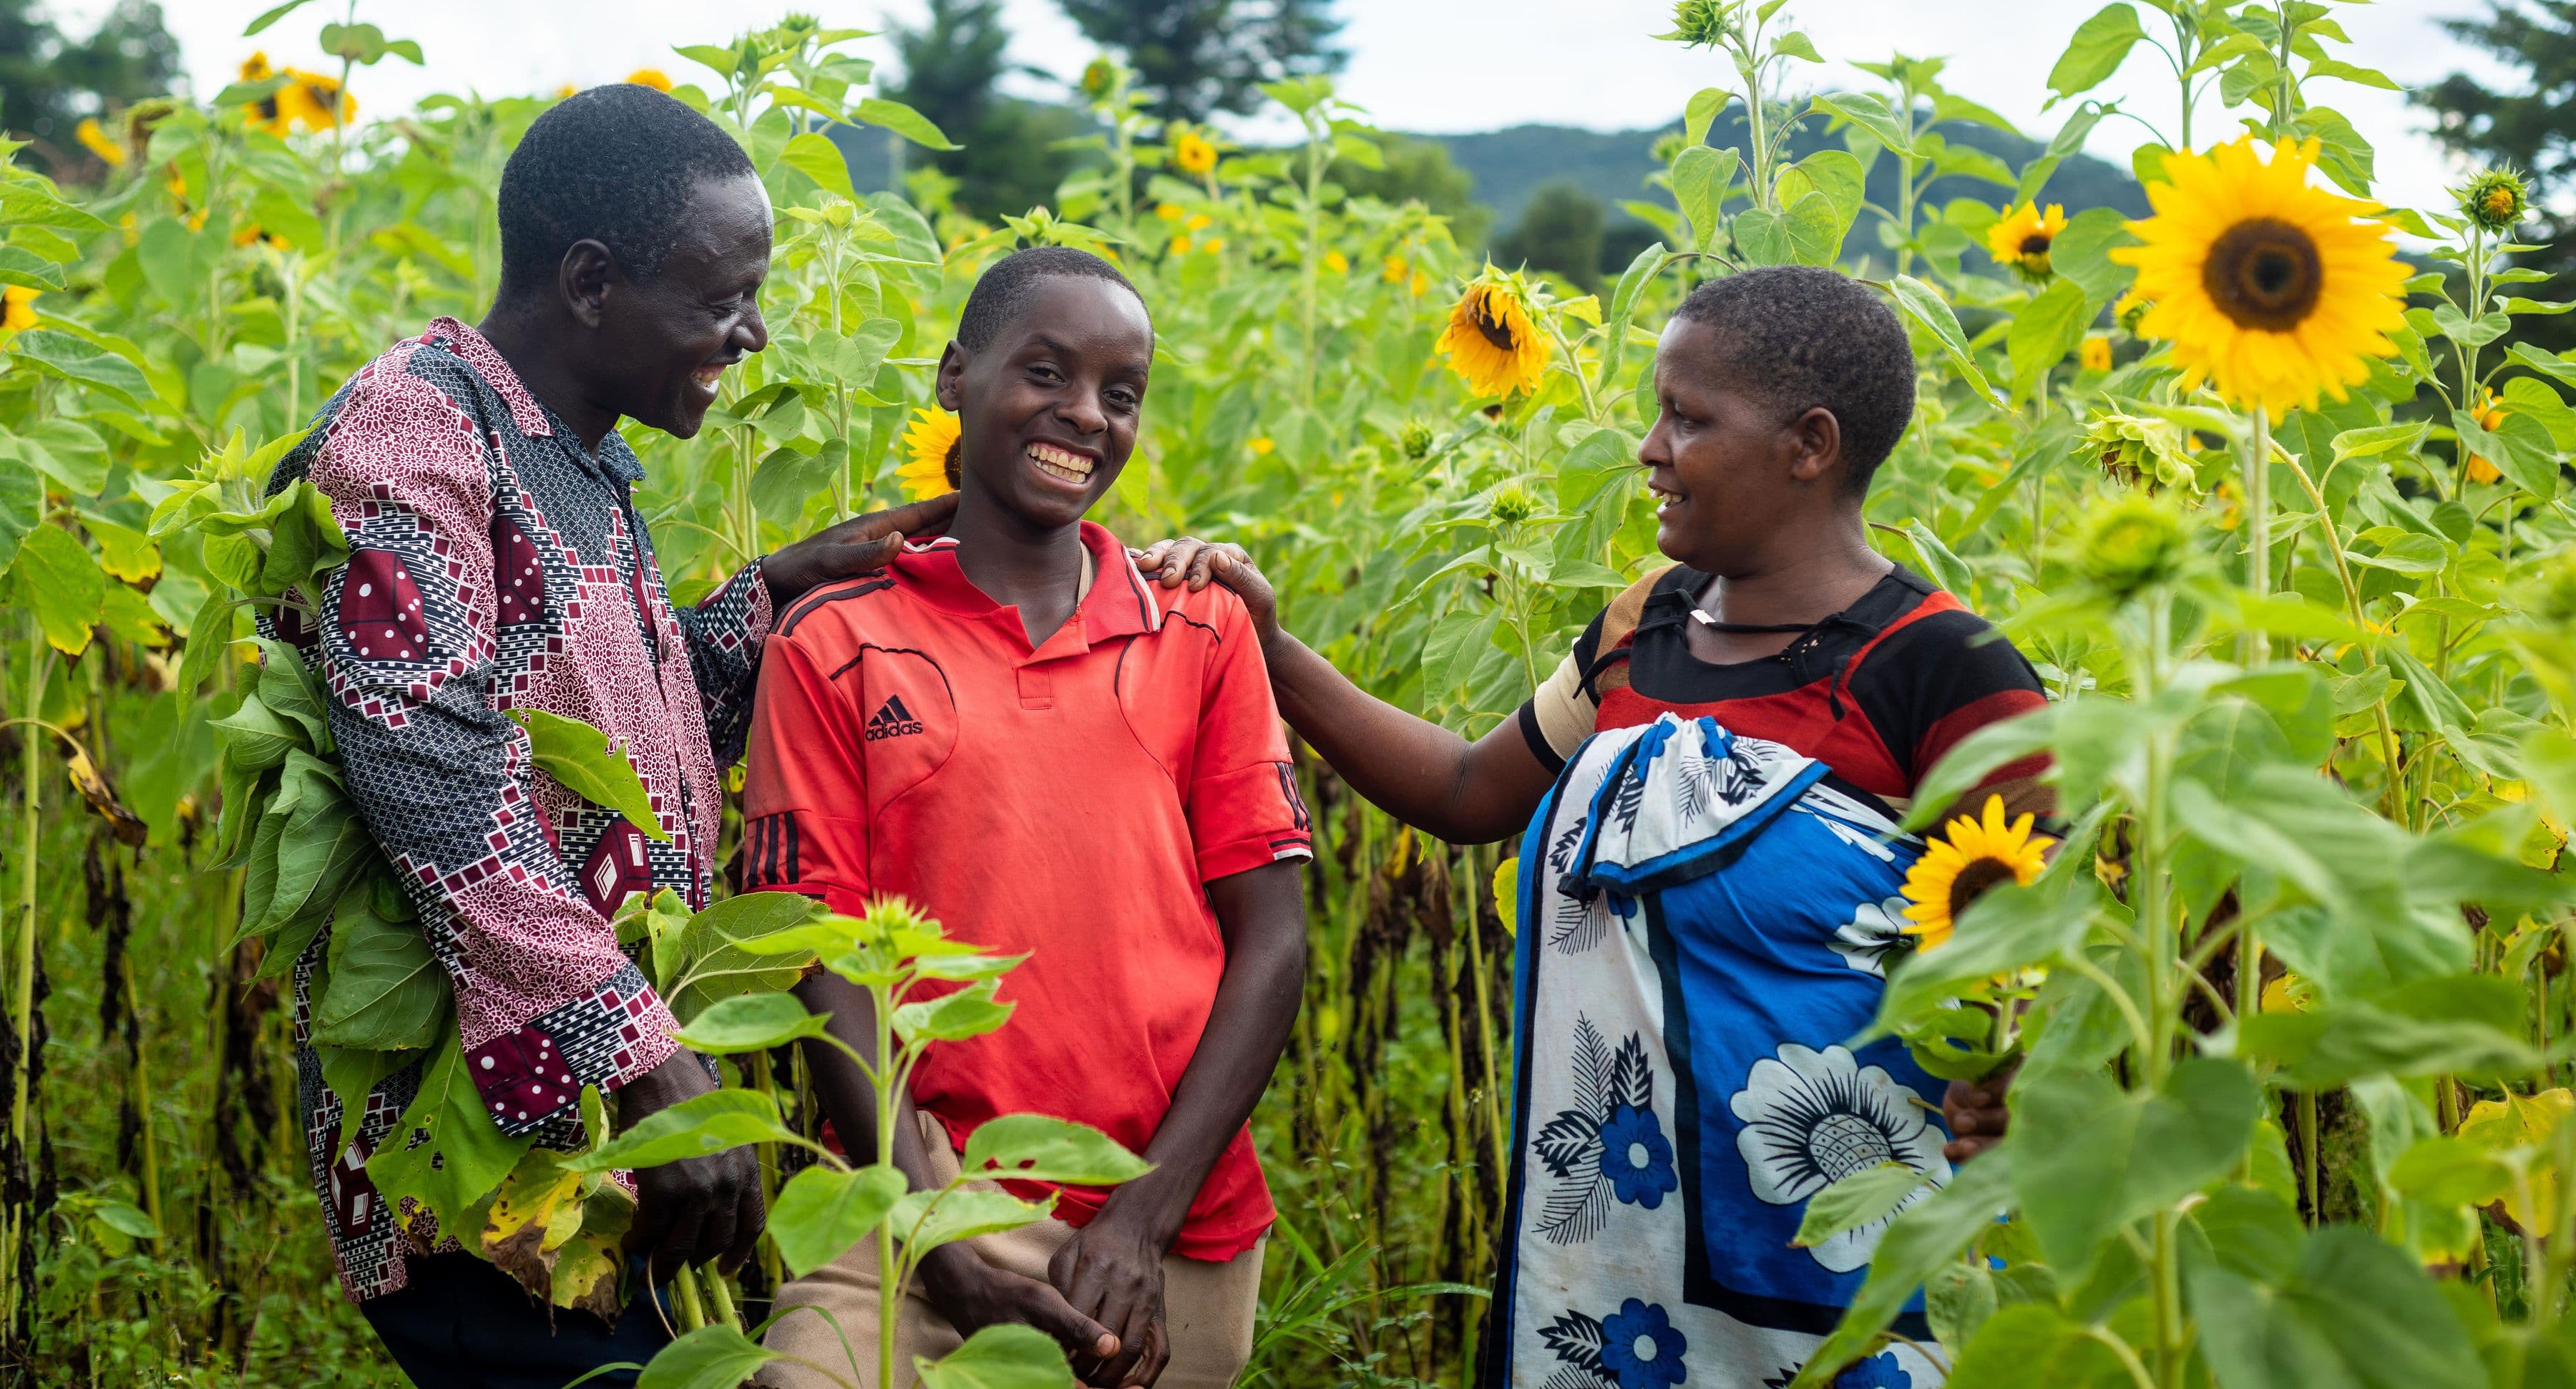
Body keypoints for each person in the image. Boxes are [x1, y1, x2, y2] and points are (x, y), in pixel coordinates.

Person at [1138, 265, 2048, 1388]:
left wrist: (2012, 1071)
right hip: (1622, 1261)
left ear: (1810, 444)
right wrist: (1269, 647)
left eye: (1689, 417)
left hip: (1847, 1257)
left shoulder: (1941, 672)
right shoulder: (1643, 628)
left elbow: (2045, 943)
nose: (1650, 448)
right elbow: (1472, 792)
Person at [263, 82, 954, 1388]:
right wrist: (637, 1056)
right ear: (589, 283)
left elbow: (606, 724)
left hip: (587, 1150)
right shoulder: (416, 436)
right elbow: (434, 767)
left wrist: (784, 590)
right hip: (486, 1172)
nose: (750, 334)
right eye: (720, 298)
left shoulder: (559, 447)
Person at [738, 246, 1312, 1389]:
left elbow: (1274, 937)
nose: (1085, 416)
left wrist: (1142, 1221)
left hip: (1169, 1210)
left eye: (1121, 392)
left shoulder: (1196, 632)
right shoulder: (833, 641)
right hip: (922, 1192)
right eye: (1045, 372)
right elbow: (824, 961)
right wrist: (931, 1237)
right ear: (956, 375)